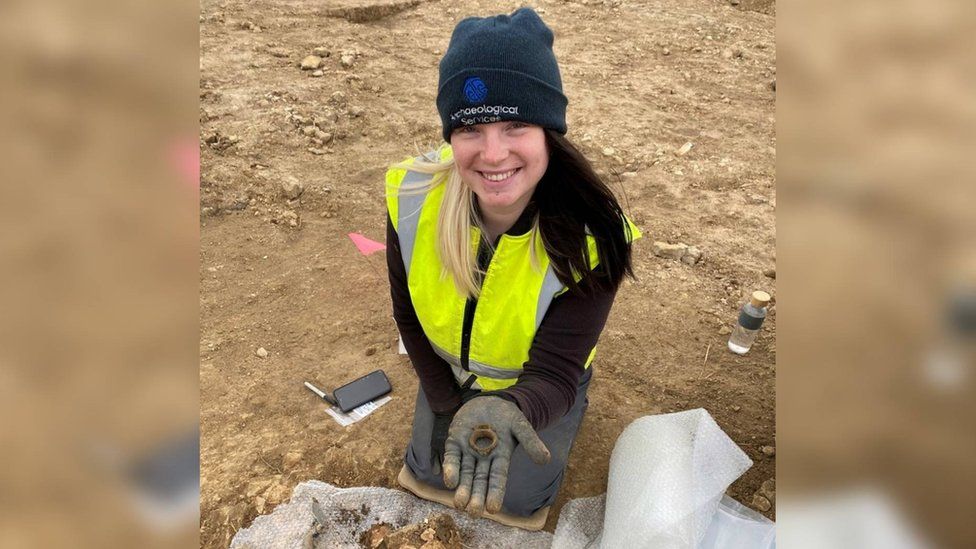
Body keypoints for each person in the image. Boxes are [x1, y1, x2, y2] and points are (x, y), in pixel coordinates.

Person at [385, 7, 640, 523]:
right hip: (450, 372)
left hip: (536, 384)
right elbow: (407, 315)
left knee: (517, 502)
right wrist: (442, 400)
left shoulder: (594, 235)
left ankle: (564, 417)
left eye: (516, 124)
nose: (493, 154)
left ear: (550, 129)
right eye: (471, 128)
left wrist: (513, 409)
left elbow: (557, 368)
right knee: (431, 474)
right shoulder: (410, 195)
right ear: (450, 135)